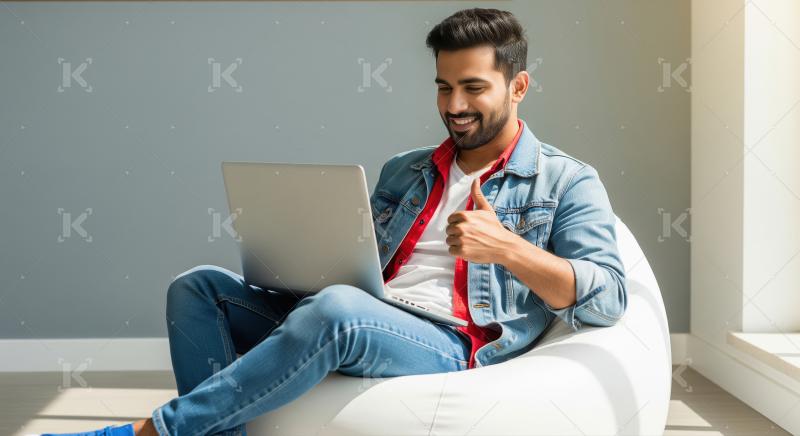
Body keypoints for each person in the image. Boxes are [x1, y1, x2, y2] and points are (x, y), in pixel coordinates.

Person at [43, 7, 626, 436]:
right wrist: (306, 256)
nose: (454, 106)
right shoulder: (406, 170)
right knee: (197, 288)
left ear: (518, 86)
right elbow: (360, 263)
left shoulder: (566, 181)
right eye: (444, 87)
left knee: (337, 311)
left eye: (474, 88)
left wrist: (509, 250)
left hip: (454, 341)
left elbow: (609, 298)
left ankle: (151, 434)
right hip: (366, 312)